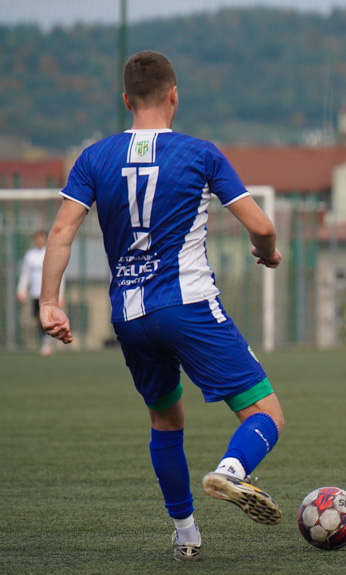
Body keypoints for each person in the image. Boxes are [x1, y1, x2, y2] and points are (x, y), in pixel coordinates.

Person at [40, 50, 285, 562]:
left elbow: (62, 230)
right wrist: (266, 253)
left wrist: (50, 302)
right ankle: (232, 472)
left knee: (166, 421)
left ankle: (186, 532)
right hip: (188, 305)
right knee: (267, 414)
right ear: (175, 95)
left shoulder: (94, 157)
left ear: (126, 100)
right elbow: (261, 226)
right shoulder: (201, 154)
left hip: (128, 316)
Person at [17, 230, 63, 356]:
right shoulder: (29, 256)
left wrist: (60, 294)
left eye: (41, 238)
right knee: (38, 318)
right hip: (35, 293)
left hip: (49, 293)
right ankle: (45, 341)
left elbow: (59, 274)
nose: (39, 241)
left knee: (48, 318)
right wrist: (21, 290)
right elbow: (25, 274)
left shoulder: (50, 254)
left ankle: (47, 342)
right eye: (37, 238)